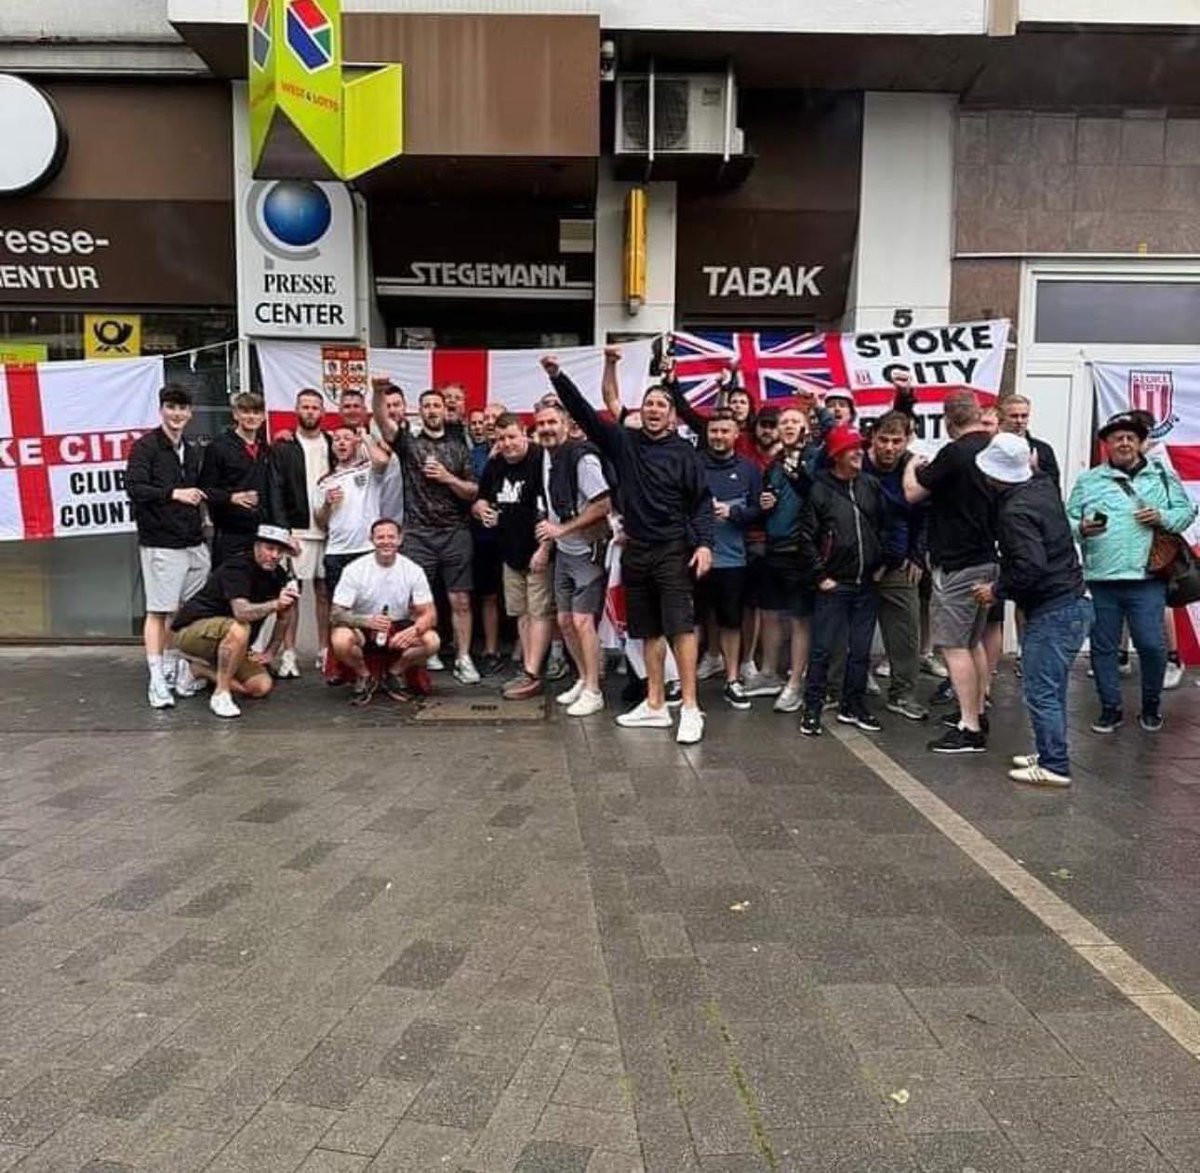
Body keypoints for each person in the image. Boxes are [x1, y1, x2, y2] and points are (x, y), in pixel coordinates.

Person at [542, 355, 714, 744]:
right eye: (648, 404)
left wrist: (704, 544)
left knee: (680, 628)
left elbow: (701, 502)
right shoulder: (624, 443)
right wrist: (558, 376)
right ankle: (654, 704)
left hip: (673, 550)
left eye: (661, 406)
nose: (654, 410)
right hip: (635, 550)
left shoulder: (686, 454)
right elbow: (584, 414)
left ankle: (689, 707)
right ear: (640, 412)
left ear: (671, 417)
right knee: (647, 630)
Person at [1066, 411, 1197, 734]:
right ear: (1107, 444)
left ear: (1140, 443)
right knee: (1104, 647)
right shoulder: (1089, 480)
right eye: (1117, 438)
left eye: (1130, 438)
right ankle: (1110, 708)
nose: (1124, 443)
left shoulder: (1162, 476)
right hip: (1102, 577)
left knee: (1152, 645)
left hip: (1147, 578)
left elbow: (1186, 512)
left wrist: (1163, 517)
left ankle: (1151, 705)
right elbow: (1066, 520)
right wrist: (1081, 527)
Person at [972, 433, 1090, 787]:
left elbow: (1030, 566)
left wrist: (996, 590)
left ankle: (1054, 764)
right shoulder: (1041, 489)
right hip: (1071, 602)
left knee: (1041, 690)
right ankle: (1051, 750)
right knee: (1050, 687)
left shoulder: (1015, 512)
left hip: (1053, 609)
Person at [903, 390, 997, 754]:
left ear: (949, 420)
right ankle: (976, 710)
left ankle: (969, 728)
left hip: (957, 562)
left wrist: (912, 464)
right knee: (972, 642)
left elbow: (913, 493)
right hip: (987, 557)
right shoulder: (994, 446)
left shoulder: (955, 452)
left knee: (953, 646)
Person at [372, 384, 480, 684]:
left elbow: (472, 491)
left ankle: (463, 657)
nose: (432, 410)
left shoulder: (459, 446)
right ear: (419, 411)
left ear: (446, 411)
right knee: (418, 600)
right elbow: (382, 421)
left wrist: (447, 478)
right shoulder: (409, 443)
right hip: (418, 533)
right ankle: (424, 651)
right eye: (427, 405)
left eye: (437, 405)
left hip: (455, 532)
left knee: (460, 600)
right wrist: (378, 393)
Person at [797, 426, 887, 736]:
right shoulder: (820, 490)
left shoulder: (871, 486)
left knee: (860, 650)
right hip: (835, 584)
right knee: (822, 649)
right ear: (836, 455)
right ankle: (812, 707)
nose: (859, 452)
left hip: (866, 584)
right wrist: (820, 576)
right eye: (852, 448)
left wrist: (882, 564)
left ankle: (853, 705)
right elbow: (806, 538)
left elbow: (884, 527)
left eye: (860, 447)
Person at [126, 384, 211, 709]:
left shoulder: (190, 449)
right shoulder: (145, 447)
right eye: (171, 407)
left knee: (186, 611)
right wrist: (173, 493)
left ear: (190, 413)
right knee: (159, 610)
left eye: (182, 408)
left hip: (193, 541)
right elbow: (134, 488)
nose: (177, 414)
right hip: (161, 542)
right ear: (161, 409)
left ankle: (176, 668)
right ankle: (156, 678)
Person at [171, 524, 298, 719]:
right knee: (240, 628)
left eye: (280, 551)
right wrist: (275, 604)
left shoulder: (278, 575)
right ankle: (221, 694)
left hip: (233, 641)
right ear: (256, 546)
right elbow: (241, 612)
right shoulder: (237, 567)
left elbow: (284, 616)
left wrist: (271, 651)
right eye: (270, 549)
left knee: (260, 687)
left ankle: (198, 670)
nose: (275, 555)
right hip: (191, 632)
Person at [535, 400, 612, 718]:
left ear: (566, 425)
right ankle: (583, 678)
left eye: (552, 422)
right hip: (564, 553)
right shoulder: (548, 456)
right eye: (541, 424)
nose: (546, 429)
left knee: (582, 622)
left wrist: (561, 529)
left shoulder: (583, 458)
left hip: (587, 552)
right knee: (565, 622)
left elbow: (603, 504)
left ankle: (595, 690)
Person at [474, 413, 553, 699]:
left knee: (540, 611)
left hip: (538, 549)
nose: (506, 444)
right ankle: (528, 670)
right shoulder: (495, 464)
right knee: (521, 611)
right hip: (509, 549)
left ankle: (533, 672)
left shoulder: (541, 460)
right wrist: (482, 509)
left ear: (524, 434)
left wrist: (545, 549)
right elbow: (481, 497)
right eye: (501, 438)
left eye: (511, 437)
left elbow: (552, 510)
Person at [328, 518, 440, 704]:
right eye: (380, 537)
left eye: (391, 537)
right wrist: (365, 622)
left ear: (400, 539)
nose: (386, 541)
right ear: (371, 540)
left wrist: (415, 630)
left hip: (399, 625)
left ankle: (394, 672)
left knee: (432, 641)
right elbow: (335, 614)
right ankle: (364, 675)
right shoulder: (354, 570)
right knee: (340, 639)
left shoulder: (413, 570)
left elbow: (430, 613)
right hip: (363, 626)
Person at [864, 411, 929, 721]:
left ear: (907, 440)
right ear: (872, 437)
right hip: (859, 562)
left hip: (898, 562)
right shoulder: (857, 461)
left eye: (897, 441)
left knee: (905, 632)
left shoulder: (914, 466)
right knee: (848, 632)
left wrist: (917, 555)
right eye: (884, 440)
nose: (889, 448)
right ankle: (846, 690)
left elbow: (923, 515)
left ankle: (903, 694)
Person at [696, 410, 761, 709]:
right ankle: (685, 679)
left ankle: (732, 679)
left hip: (733, 560)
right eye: (714, 431)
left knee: (731, 622)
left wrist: (733, 513)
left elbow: (760, 512)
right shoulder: (695, 465)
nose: (718, 436)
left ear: (736, 434)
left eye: (724, 431)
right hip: (696, 557)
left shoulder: (749, 470)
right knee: (694, 620)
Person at [268, 388, 334, 678]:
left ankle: (324, 651)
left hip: (329, 530)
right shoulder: (284, 446)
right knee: (293, 594)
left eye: (315, 407)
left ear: (322, 412)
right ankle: (289, 654)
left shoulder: (333, 443)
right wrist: (284, 533)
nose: (310, 412)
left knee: (324, 593)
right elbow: (276, 492)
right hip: (297, 531)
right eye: (305, 407)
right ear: (297, 410)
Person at [752, 405, 814, 710]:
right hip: (773, 547)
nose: (788, 426)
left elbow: (811, 490)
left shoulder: (815, 457)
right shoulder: (774, 464)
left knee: (801, 619)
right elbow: (769, 500)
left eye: (795, 422)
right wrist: (765, 502)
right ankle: (768, 673)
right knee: (769, 611)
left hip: (800, 550)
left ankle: (796, 681)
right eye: (784, 422)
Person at [314, 425, 402, 598]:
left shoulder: (369, 469)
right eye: (337, 439)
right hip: (336, 552)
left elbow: (383, 461)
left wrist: (365, 437)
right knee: (340, 609)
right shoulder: (325, 481)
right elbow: (320, 522)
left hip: (367, 549)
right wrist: (327, 504)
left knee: (371, 606)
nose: (341, 443)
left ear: (356, 441)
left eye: (347, 438)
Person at [199, 391, 271, 568]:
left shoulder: (266, 449)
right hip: (230, 535)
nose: (251, 417)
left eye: (256, 412)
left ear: (263, 417)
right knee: (230, 591)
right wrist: (231, 497)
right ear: (235, 414)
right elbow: (204, 489)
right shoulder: (218, 447)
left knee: (261, 591)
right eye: (245, 412)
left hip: (262, 534)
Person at [998, 393, 1061, 490]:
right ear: (1002, 417)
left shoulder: (1043, 450)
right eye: (1014, 416)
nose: (1019, 421)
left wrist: (1036, 471)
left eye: (1024, 416)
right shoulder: (993, 447)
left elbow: (1054, 486)